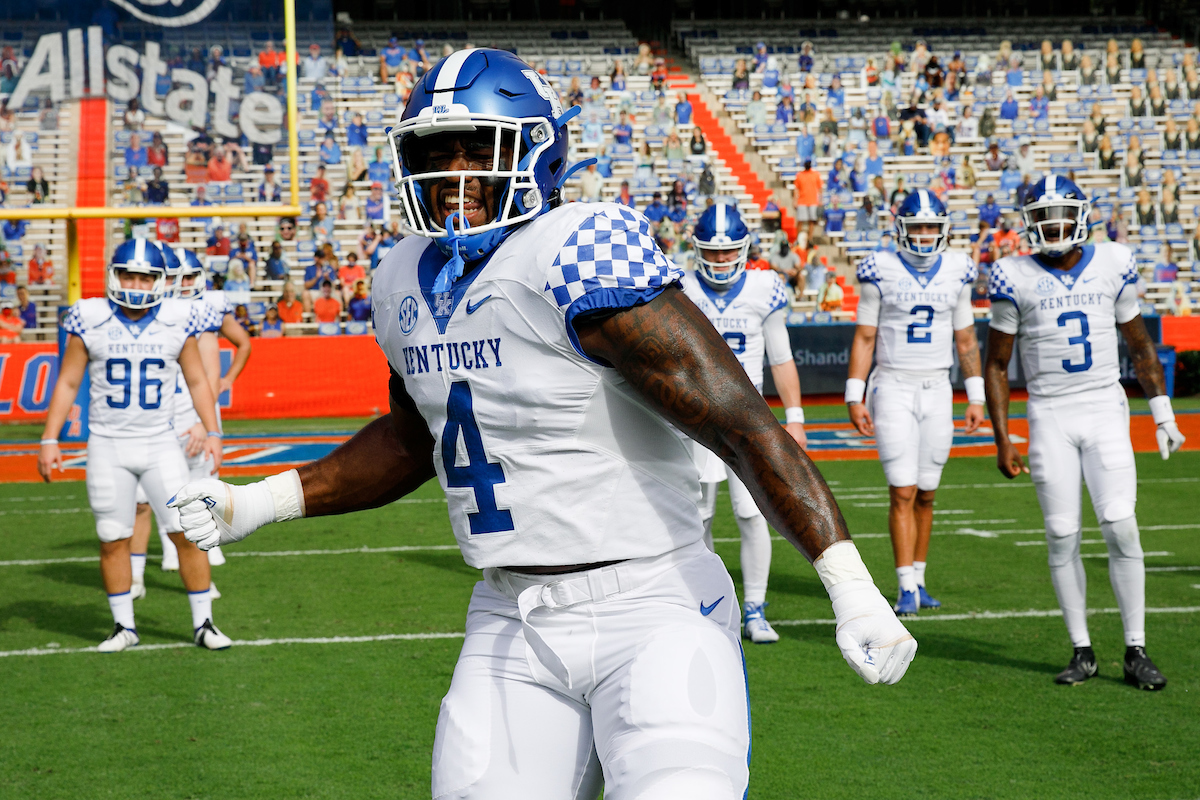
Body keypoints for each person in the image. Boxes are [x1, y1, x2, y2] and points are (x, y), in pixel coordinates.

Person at [170, 49, 915, 798]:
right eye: (436, 151)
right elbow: (414, 437)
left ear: (538, 149)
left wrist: (851, 588)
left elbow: (740, 423)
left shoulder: (577, 251)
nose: (454, 173)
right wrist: (254, 503)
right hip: (508, 617)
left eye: (477, 148)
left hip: (653, 603)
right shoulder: (400, 275)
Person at [984, 175, 1184, 690]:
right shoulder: (1012, 274)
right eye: (1042, 219)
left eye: (1060, 218)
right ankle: (1082, 649)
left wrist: (1162, 412)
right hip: (1049, 411)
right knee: (1061, 532)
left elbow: (1140, 346)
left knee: (1120, 523)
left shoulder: (1114, 262)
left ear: (1081, 216)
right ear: (1029, 223)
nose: (1052, 229)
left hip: (1102, 406)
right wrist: (1004, 438)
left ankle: (1136, 647)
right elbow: (996, 364)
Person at [36, 239, 228, 652]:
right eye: (128, 274)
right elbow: (68, 381)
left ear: (160, 281)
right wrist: (50, 437)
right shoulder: (91, 317)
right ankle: (124, 626)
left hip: (160, 443)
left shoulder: (177, 319)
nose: (136, 283)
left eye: (145, 275)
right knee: (112, 535)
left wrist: (213, 431)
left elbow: (197, 381)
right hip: (107, 444)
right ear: (113, 274)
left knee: (186, 531)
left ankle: (204, 624)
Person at [847, 190, 985, 616]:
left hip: (939, 387)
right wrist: (855, 392)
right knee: (903, 489)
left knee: (927, 491)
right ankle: (905, 584)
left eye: (931, 226)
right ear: (901, 228)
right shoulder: (881, 268)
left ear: (943, 228)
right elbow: (866, 336)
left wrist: (975, 393)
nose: (924, 235)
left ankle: (920, 579)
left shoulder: (958, 270)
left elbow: (965, 338)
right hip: (893, 385)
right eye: (917, 226)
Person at [681, 205, 808, 645]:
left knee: (752, 514)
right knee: (698, 516)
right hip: (692, 416)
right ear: (697, 250)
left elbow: (781, 356)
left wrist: (795, 417)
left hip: (747, 414)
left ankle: (754, 608)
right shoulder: (680, 287)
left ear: (744, 249)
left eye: (728, 252)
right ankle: (710, 604)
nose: (719, 261)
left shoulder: (764, 288)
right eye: (712, 253)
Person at [792, 160, 822, 239]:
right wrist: (795, 201)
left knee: (812, 220)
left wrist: (820, 200)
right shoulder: (800, 175)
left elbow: (820, 188)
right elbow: (796, 189)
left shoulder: (815, 174)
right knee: (800, 220)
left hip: (812, 201)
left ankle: (809, 238)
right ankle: (798, 238)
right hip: (802, 201)